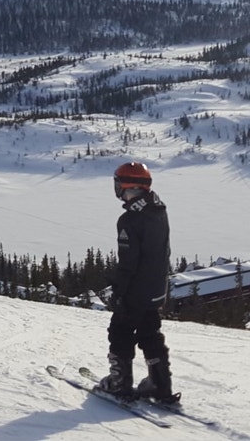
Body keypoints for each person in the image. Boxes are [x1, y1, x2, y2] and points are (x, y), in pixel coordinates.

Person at [95, 161, 178, 404]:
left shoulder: (130, 220)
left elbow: (129, 262)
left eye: (118, 183)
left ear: (127, 185)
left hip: (136, 291)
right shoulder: (158, 210)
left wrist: (119, 291)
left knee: (119, 331)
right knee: (150, 332)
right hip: (155, 288)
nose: (117, 188)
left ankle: (120, 383)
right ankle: (160, 383)